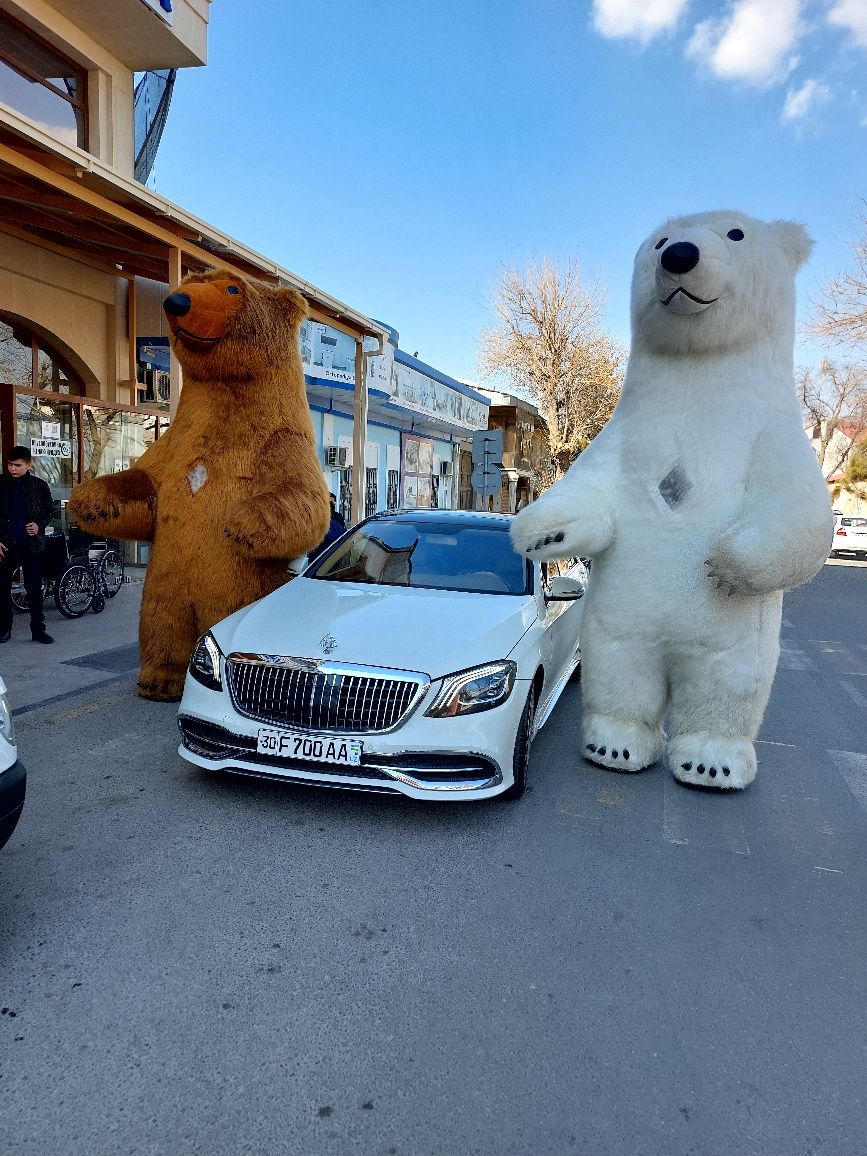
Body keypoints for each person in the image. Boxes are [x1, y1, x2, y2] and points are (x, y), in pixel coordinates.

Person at [0, 447, 55, 644]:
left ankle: (38, 630)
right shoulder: (1, 484)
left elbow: (50, 510)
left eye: (17, 465)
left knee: (34, 588)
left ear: (28, 465)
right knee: (2, 588)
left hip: (31, 544)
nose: (12, 469)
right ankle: (4, 629)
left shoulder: (39, 485)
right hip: (5, 544)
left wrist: (38, 524)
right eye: (9, 465)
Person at [308, 492, 347, 563]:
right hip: (319, 560)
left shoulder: (337, 517)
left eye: (332, 502)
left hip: (328, 560)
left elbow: (341, 536)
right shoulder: (316, 519)